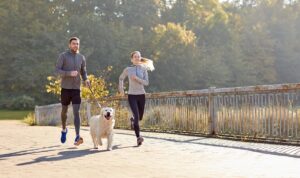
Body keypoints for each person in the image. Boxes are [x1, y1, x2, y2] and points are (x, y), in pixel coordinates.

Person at [55, 37, 90, 146]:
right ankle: (64, 129)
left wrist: (86, 79)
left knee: (76, 112)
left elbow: (83, 71)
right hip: (65, 88)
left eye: (77, 44)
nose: (76, 45)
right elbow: (57, 70)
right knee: (64, 111)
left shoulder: (81, 57)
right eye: (74, 44)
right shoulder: (63, 56)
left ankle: (77, 136)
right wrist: (69, 73)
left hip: (76, 88)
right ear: (69, 45)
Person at [118, 51, 154, 146]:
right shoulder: (128, 69)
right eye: (135, 57)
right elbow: (121, 78)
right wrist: (121, 89)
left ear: (140, 58)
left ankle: (133, 120)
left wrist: (137, 79)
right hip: (132, 95)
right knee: (137, 116)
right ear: (132, 59)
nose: (137, 58)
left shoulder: (144, 69)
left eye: (138, 56)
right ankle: (138, 137)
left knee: (140, 117)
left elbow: (146, 83)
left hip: (141, 95)